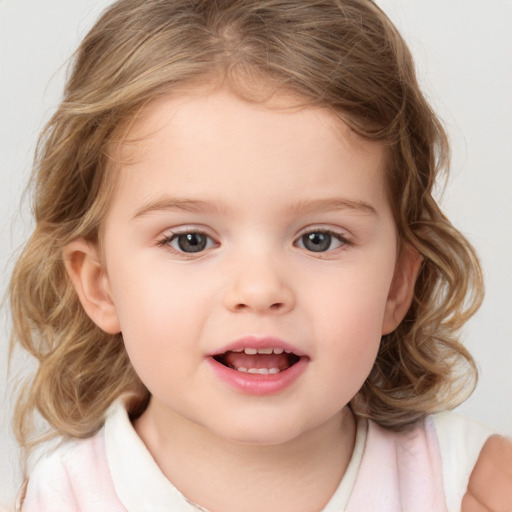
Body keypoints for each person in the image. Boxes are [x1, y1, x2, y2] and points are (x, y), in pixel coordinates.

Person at [8, 0, 512, 510]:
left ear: (398, 284)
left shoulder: (474, 485)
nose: (259, 289)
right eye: (191, 240)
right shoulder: (59, 498)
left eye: (319, 239)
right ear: (100, 284)